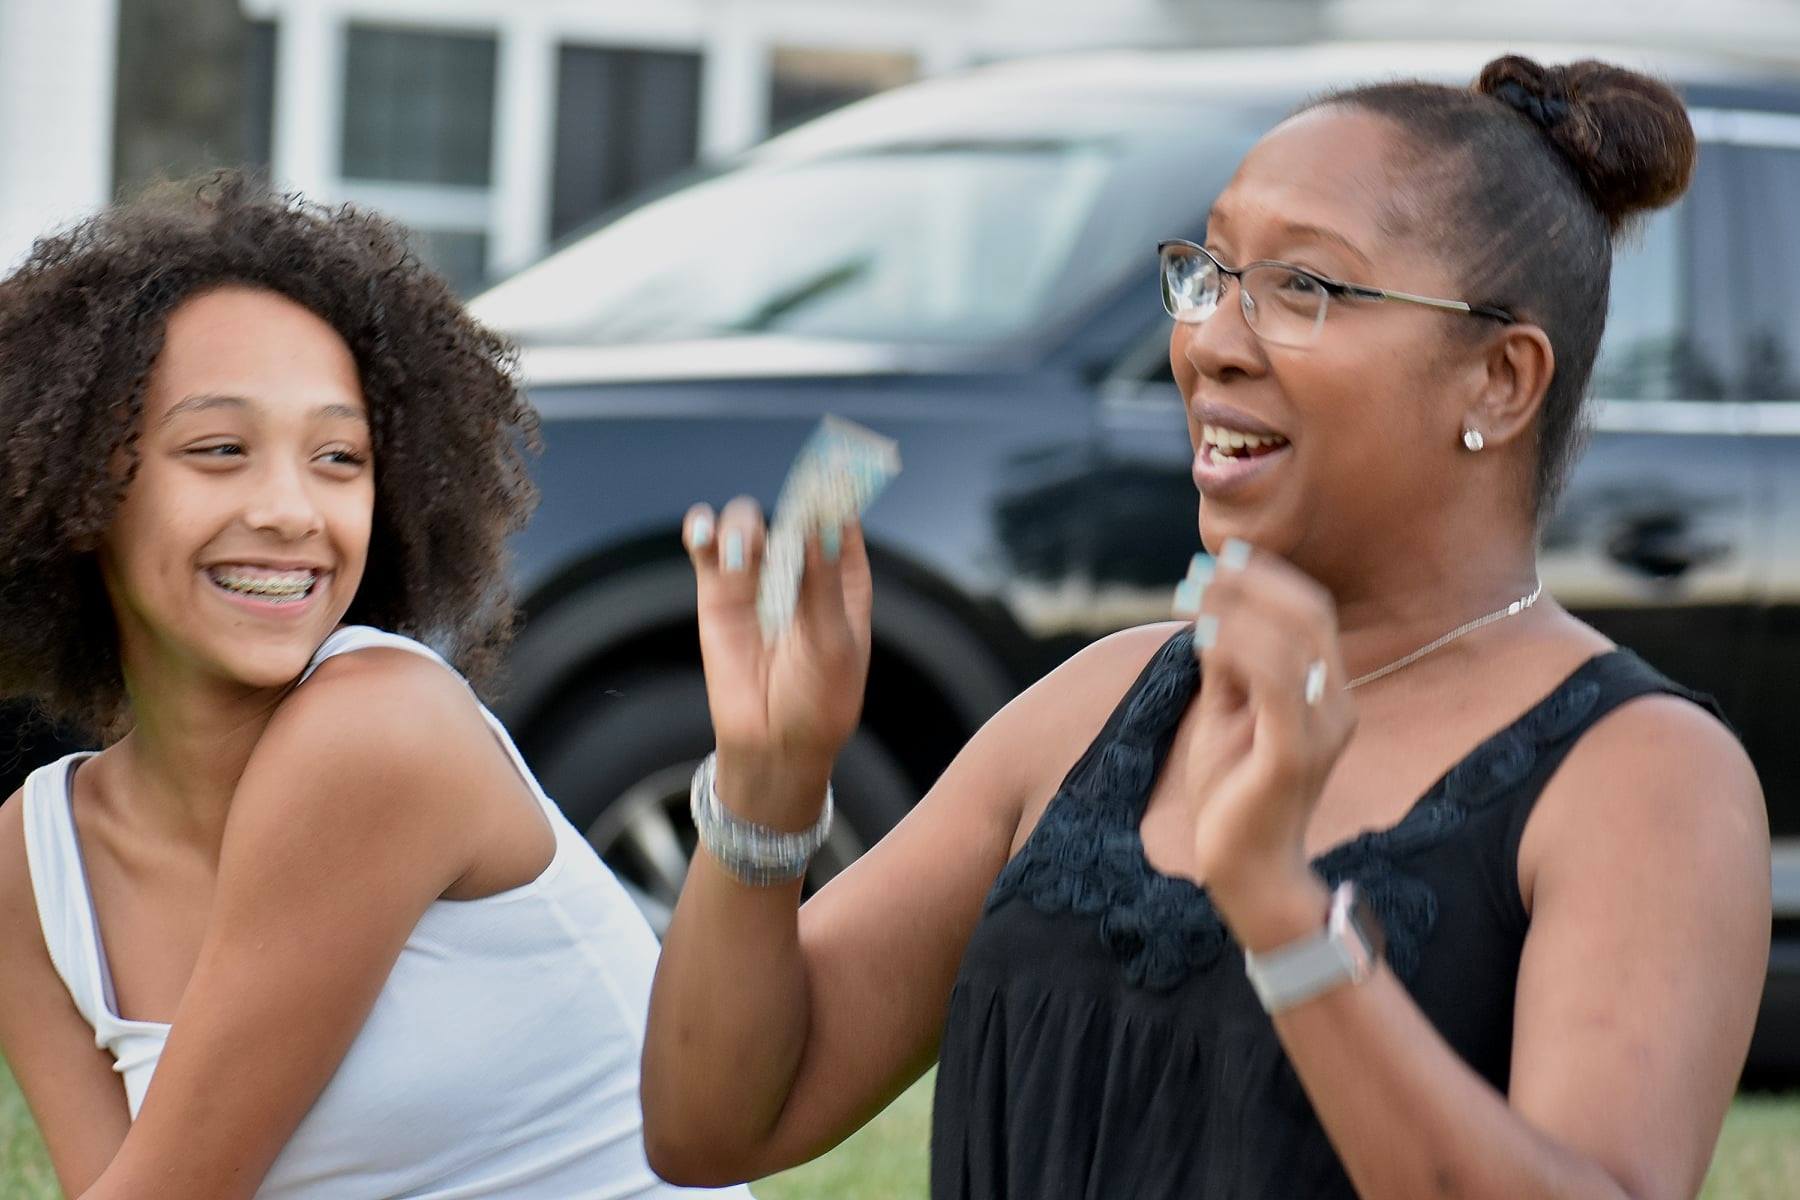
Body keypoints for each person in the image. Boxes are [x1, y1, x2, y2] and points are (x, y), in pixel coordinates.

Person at [642, 54, 1772, 1198]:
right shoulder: (1101, 706)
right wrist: (769, 786)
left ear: (1498, 380)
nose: (1211, 343)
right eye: (1213, 272)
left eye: (1304, 289)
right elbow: (715, 1126)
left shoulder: (1643, 779)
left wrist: (1283, 910)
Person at [0, 173, 749, 1200]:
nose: (291, 509)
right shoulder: (30, 865)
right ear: (79, 488)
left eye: (339, 459)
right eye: (219, 450)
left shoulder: (379, 730)